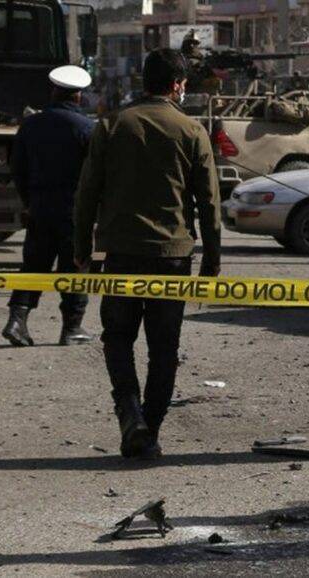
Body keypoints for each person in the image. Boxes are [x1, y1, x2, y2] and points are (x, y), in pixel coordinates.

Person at [74, 48, 221, 460]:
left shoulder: (112, 125)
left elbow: (87, 193)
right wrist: (212, 260)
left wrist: (82, 249)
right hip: (172, 256)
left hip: (120, 254)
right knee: (164, 347)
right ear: (177, 85)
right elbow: (209, 202)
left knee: (118, 337)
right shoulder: (191, 130)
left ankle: (130, 415)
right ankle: (149, 428)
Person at [2, 65, 96, 347]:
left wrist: (30, 201)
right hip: (74, 211)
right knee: (75, 268)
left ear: (54, 92)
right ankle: (72, 327)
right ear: (78, 96)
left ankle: (17, 321)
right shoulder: (87, 128)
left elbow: (17, 168)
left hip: (40, 208)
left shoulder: (31, 125)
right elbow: (96, 175)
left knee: (33, 265)